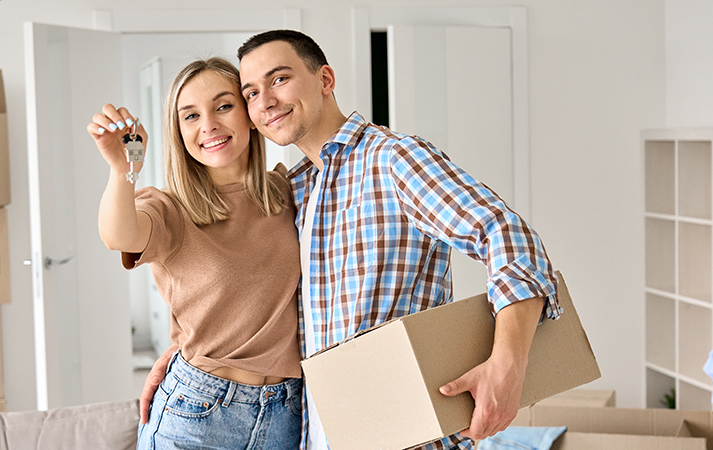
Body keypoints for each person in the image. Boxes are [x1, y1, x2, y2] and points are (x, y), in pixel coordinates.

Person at [143, 30, 560, 450]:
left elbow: (506, 236)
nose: (266, 100)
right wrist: (186, 359)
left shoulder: (393, 159)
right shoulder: (292, 190)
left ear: (325, 80)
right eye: (250, 92)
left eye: (280, 79)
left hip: (405, 432)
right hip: (315, 433)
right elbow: (258, 296)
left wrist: (508, 364)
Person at [89, 57, 303, 450]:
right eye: (190, 116)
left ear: (250, 115)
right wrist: (123, 170)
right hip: (199, 413)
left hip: (287, 414)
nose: (209, 125)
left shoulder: (288, 191)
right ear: (178, 131)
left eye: (223, 106)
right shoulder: (170, 208)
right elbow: (118, 235)